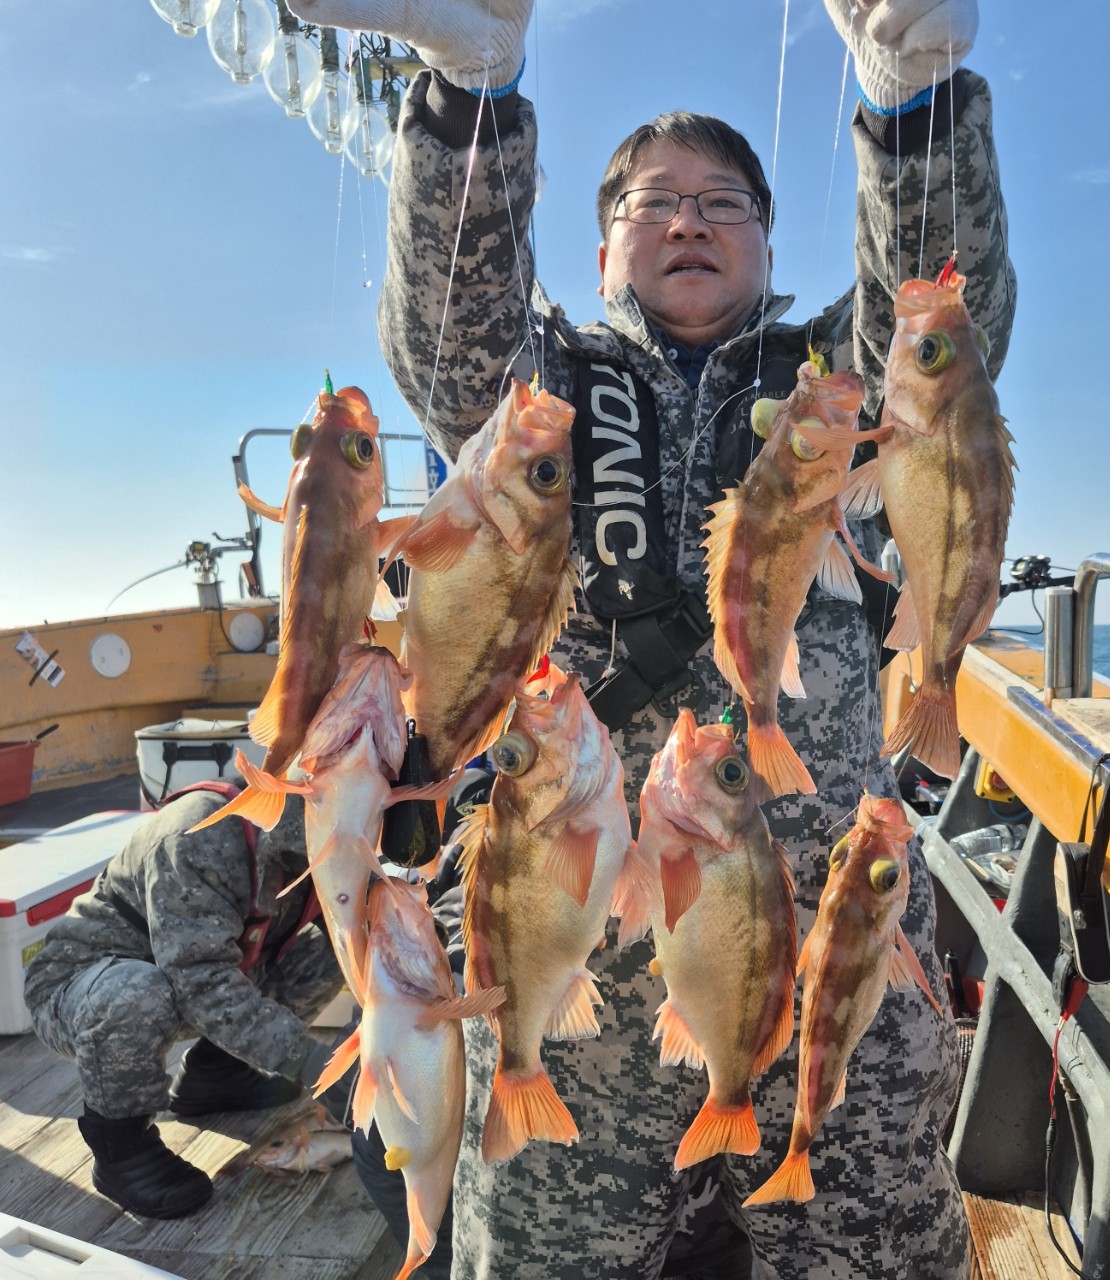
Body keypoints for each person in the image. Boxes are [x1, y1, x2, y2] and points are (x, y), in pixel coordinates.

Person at [288, 0, 1015, 1275]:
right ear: (603, 246)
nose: (688, 222)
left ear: (766, 240)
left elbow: (953, 321)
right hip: (567, 978)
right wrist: (470, 92)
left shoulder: (837, 384)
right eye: (652, 204)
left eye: (723, 203)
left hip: (823, 957)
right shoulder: (539, 388)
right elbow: (443, 330)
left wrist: (914, 101)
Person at [24, 791, 342, 1219]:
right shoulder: (198, 834)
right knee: (137, 991)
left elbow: (372, 938)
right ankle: (122, 1146)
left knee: (334, 950)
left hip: (188, 979)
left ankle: (218, 1075)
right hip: (85, 987)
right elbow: (201, 982)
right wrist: (318, 1066)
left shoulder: (329, 846)